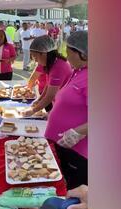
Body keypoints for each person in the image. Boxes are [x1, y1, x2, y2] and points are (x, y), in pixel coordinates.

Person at [44, 31, 88, 190]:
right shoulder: (79, 71)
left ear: (82, 54)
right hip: (64, 145)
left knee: (75, 190)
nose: (67, 57)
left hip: (78, 150)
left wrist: (78, 132)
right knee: (64, 183)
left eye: (69, 53)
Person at [23, 35, 72, 116]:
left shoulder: (58, 67)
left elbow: (50, 96)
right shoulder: (51, 63)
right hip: (58, 102)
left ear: (44, 54)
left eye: (35, 57)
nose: (35, 61)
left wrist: (33, 110)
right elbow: (48, 85)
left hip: (65, 105)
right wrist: (39, 99)